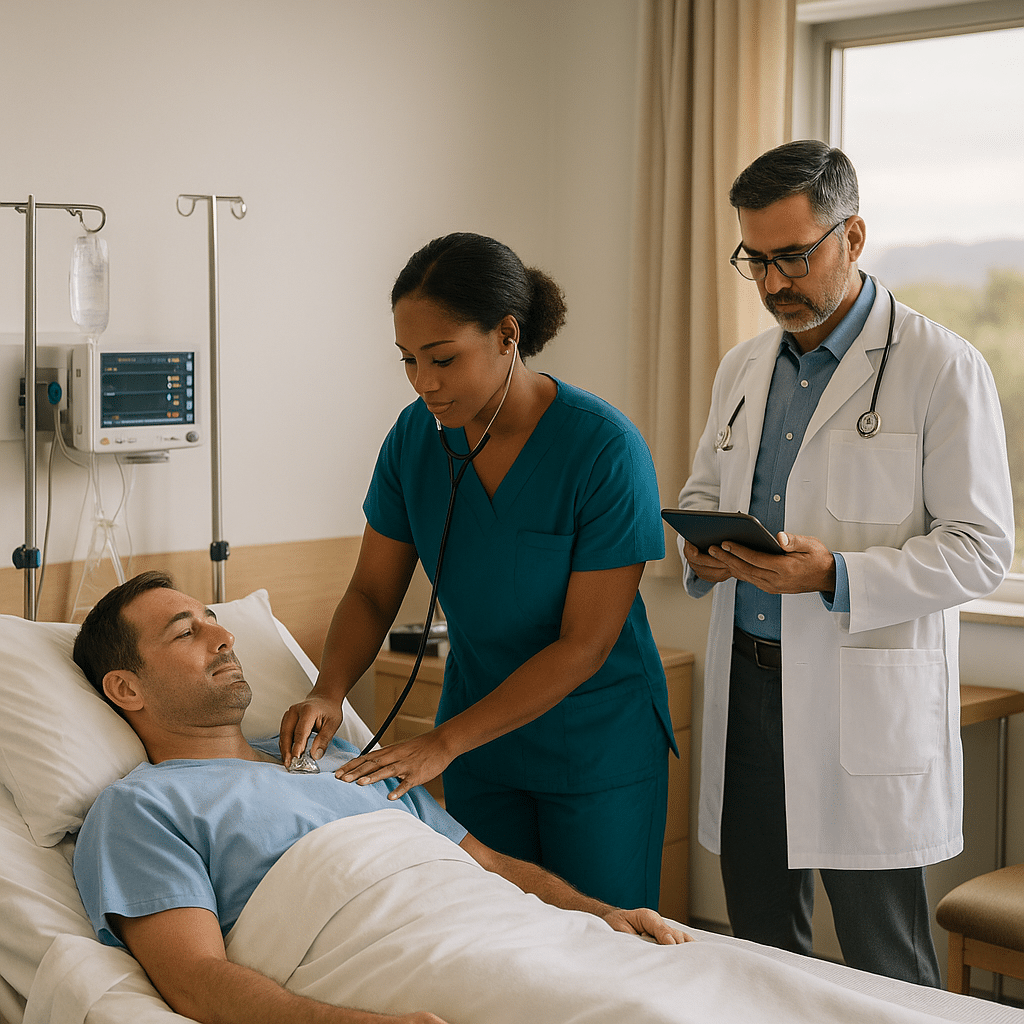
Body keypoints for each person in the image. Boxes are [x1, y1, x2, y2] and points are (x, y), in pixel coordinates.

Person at [675, 140, 1014, 986]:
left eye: (794, 256)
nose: (773, 282)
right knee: (760, 945)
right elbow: (706, 485)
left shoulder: (940, 367)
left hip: (858, 695)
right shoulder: (743, 367)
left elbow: (981, 549)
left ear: (852, 238)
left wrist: (837, 576)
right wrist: (701, 548)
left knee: (883, 954)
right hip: (750, 687)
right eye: (756, 259)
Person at [71, 572, 690, 1024]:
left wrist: (597, 914)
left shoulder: (338, 759)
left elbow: (490, 866)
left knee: (712, 986)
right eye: (188, 632)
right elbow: (197, 981)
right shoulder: (140, 809)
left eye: (214, 617)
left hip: (510, 929)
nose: (224, 636)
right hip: (405, 961)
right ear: (126, 687)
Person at [279, 232, 675, 909]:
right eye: (407, 360)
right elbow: (373, 591)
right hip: (480, 746)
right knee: (495, 941)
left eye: (443, 358)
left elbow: (587, 644)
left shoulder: (603, 449)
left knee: (606, 944)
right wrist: (329, 689)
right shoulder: (413, 440)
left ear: (507, 335)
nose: (423, 382)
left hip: (595, 743)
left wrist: (441, 742)